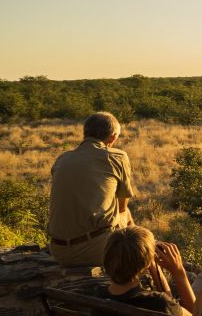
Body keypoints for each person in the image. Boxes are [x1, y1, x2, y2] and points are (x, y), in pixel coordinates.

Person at [48, 112, 136, 267]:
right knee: (126, 214)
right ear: (113, 137)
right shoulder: (118, 157)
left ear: (85, 132)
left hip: (59, 251)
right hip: (97, 251)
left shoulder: (62, 158)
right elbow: (122, 207)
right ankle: (138, 260)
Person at [95, 226, 195, 316]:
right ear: (146, 265)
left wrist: (154, 269)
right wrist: (179, 272)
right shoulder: (159, 304)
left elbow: (170, 307)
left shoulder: (99, 296)